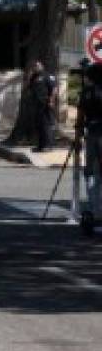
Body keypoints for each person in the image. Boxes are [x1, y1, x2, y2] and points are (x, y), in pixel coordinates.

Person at [75, 62, 102, 234]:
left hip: (92, 134)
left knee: (91, 172)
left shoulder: (85, 93)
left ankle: (94, 208)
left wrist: (77, 139)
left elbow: (79, 119)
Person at [30, 61, 58, 152]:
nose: (35, 67)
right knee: (39, 125)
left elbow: (54, 88)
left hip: (46, 104)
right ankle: (41, 145)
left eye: (37, 65)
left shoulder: (48, 76)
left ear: (42, 66)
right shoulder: (33, 77)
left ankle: (49, 146)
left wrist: (51, 100)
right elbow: (31, 88)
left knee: (47, 125)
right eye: (34, 66)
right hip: (37, 105)